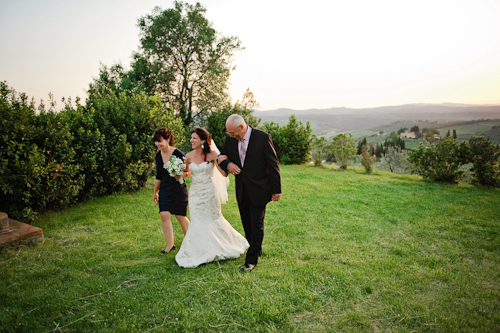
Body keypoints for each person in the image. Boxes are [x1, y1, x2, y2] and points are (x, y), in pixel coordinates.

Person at [175, 128, 249, 268]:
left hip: (210, 192)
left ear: (202, 141)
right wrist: (176, 173)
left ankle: (226, 244)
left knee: (214, 218)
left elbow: (223, 173)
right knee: (197, 220)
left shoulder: (213, 154)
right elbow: (186, 173)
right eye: (191, 138)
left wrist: (222, 164)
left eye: (194, 138)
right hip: (196, 193)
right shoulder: (188, 157)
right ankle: (198, 250)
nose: (191, 140)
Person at [217, 114, 281, 272]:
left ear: (241, 127)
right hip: (241, 189)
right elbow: (221, 157)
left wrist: (276, 190)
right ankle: (255, 248)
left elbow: (273, 165)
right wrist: (228, 164)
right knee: (246, 221)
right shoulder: (230, 139)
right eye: (229, 133)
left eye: (232, 132)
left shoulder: (262, 138)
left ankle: (251, 261)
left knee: (256, 223)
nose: (230, 136)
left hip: (259, 188)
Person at [153, 128, 190, 254]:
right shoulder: (158, 156)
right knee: (164, 214)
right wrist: (155, 192)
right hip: (164, 188)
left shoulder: (178, 154)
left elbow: (189, 171)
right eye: (155, 142)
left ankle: (191, 241)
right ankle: (170, 244)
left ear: (168, 140)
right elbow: (159, 175)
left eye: (159, 141)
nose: (157, 144)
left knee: (180, 216)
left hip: (178, 189)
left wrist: (180, 175)